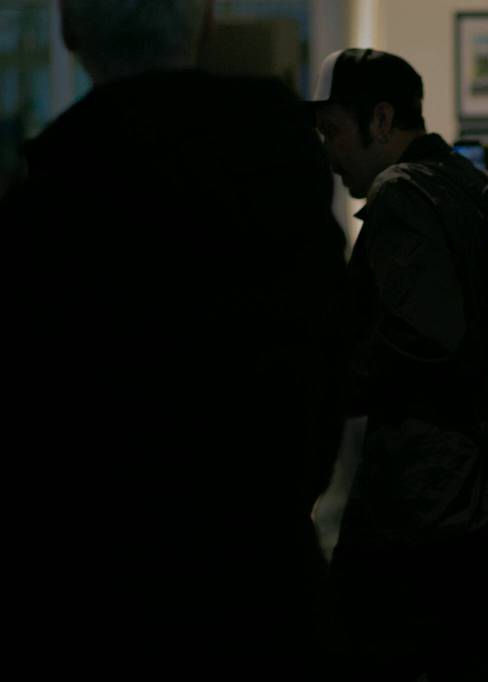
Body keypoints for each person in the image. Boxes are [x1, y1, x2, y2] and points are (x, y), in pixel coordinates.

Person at [2, 0, 347, 675]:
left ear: (71, 34)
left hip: (96, 595)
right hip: (265, 583)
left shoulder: (47, 204)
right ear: (207, 23)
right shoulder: (284, 182)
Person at [310, 48, 488, 680]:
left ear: (382, 119)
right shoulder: (486, 186)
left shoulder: (402, 194)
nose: (330, 154)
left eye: (334, 131)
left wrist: (328, 375)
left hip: (424, 506)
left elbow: (421, 343)